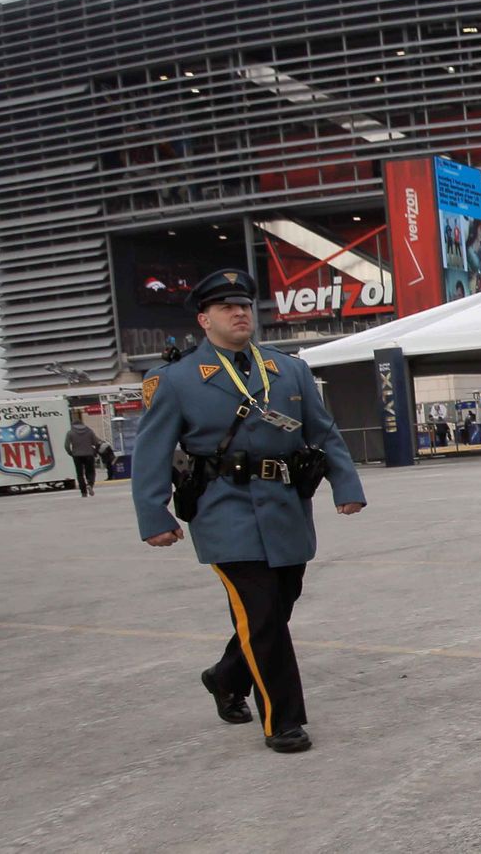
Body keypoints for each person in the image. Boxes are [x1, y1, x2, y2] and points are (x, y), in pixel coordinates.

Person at [131, 268, 366, 755]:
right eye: (225, 308)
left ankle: (224, 676)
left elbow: (321, 433)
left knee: (278, 607)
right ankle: (283, 722)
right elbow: (151, 451)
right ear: (204, 319)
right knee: (260, 614)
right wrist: (154, 515)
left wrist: (346, 483)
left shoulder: (288, 370)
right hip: (224, 511)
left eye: (244, 306)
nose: (239, 314)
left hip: (285, 508)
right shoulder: (175, 380)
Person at [64, 412, 104, 497]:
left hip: (77, 455)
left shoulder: (70, 432)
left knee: (79, 474)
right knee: (90, 472)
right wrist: (95, 451)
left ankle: (83, 492)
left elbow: (66, 445)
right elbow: (97, 442)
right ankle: (90, 484)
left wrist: (70, 452)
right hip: (89, 454)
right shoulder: (89, 431)